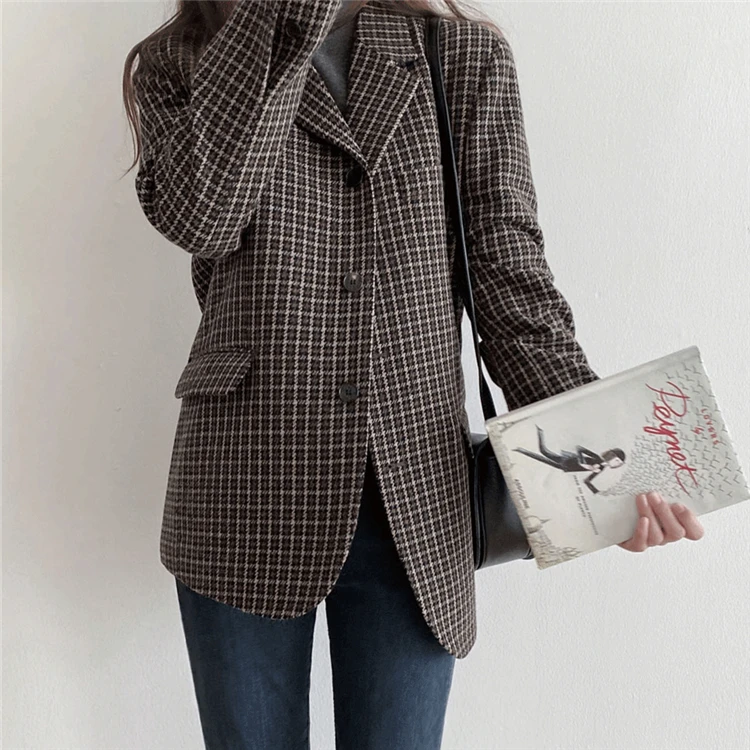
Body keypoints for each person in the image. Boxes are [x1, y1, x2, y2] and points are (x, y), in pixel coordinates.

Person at [121, 1, 705, 747]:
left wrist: (599, 472)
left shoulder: (457, 53)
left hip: (417, 493)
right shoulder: (181, 57)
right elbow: (202, 218)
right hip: (245, 479)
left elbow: (508, 273)